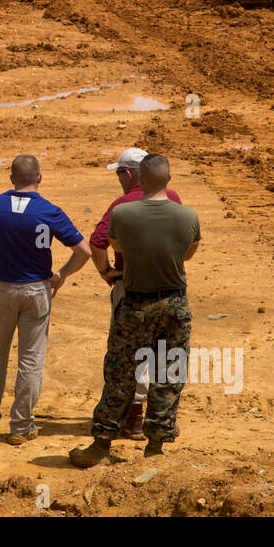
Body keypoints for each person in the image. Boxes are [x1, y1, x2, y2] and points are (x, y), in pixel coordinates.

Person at [70, 154, 200, 467]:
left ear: (138, 178)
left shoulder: (123, 212)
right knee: (169, 373)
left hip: (134, 301)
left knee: (119, 373)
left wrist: (112, 272)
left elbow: (114, 246)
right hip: (173, 303)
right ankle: (155, 446)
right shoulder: (188, 215)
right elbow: (188, 254)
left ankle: (101, 444)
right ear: (168, 179)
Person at [0, 155, 90, 446]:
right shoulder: (50, 210)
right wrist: (62, 275)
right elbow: (84, 251)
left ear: (11, 178)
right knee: (30, 360)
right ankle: (21, 425)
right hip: (36, 292)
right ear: (39, 177)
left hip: (1, 290)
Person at [88, 148, 183, 440]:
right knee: (164, 356)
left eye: (119, 173)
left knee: (126, 356)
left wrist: (106, 272)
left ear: (129, 175)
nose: (119, 179)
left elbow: (96, 242)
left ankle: (131, 418)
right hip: (169, 289)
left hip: (130, 288)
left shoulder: (122, 204)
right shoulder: (174, 198)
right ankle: (158, 422)